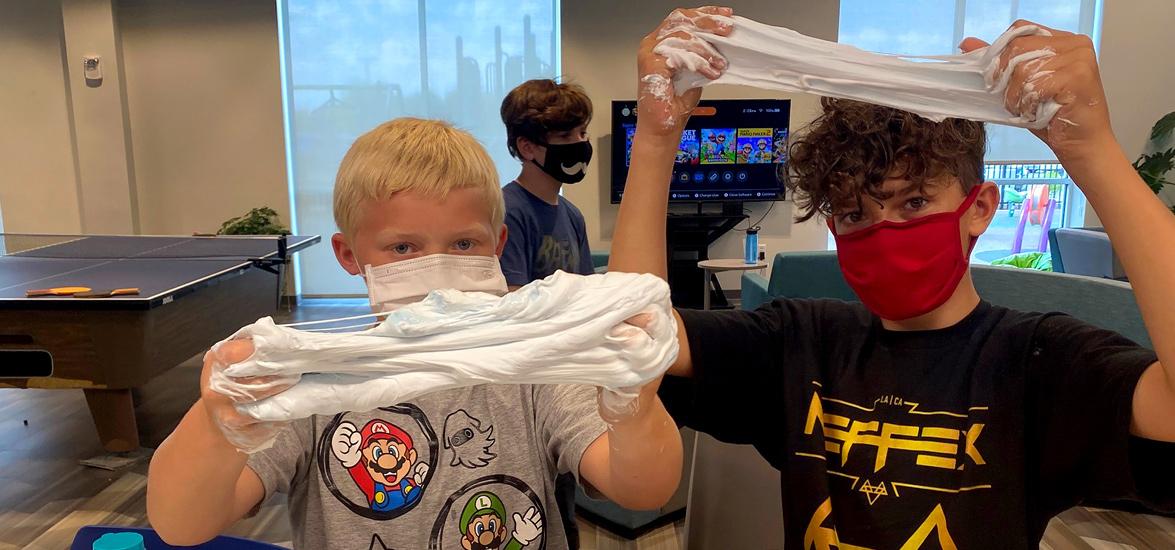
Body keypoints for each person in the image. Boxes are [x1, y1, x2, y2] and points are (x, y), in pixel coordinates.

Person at [611, 6, 1175, 548]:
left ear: (979, 208)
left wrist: (1092, 152)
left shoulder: (1038, 362)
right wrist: (659, 140)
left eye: (913, 203)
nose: (884, 231)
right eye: (855, 214)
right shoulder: (800, 343)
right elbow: (635, 334)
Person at [147, 118, 683, 548]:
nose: (435, 269)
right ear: (350, 256)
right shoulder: (311, 381)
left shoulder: (536, 368)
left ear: (498, 245)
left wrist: (633, 405)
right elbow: (182, 524)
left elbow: (643, 489)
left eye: (463, 245)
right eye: (403, 248)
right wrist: (218, 422)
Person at [499, 79, 596, 291]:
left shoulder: (573, 216)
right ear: (527, 147)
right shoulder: (507, 211)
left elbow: (588, 291)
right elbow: (513, 301)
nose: (580, 143)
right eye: (565, 136)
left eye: (582, 133)